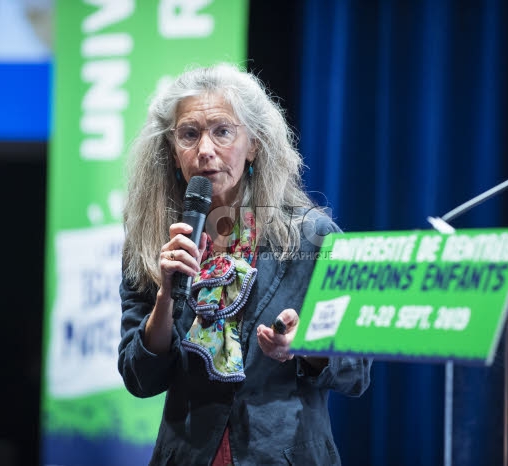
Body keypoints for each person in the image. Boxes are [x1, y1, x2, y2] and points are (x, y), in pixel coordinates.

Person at [118, 63, 372, 465]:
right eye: (189, 134)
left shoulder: (313, 237)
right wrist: (166, 295)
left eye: (222, 131)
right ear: (172, 149)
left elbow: (356, 371)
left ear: (253, 143)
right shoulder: (154, 240)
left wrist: (305, 346)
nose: (204, 150)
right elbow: (139, 377)